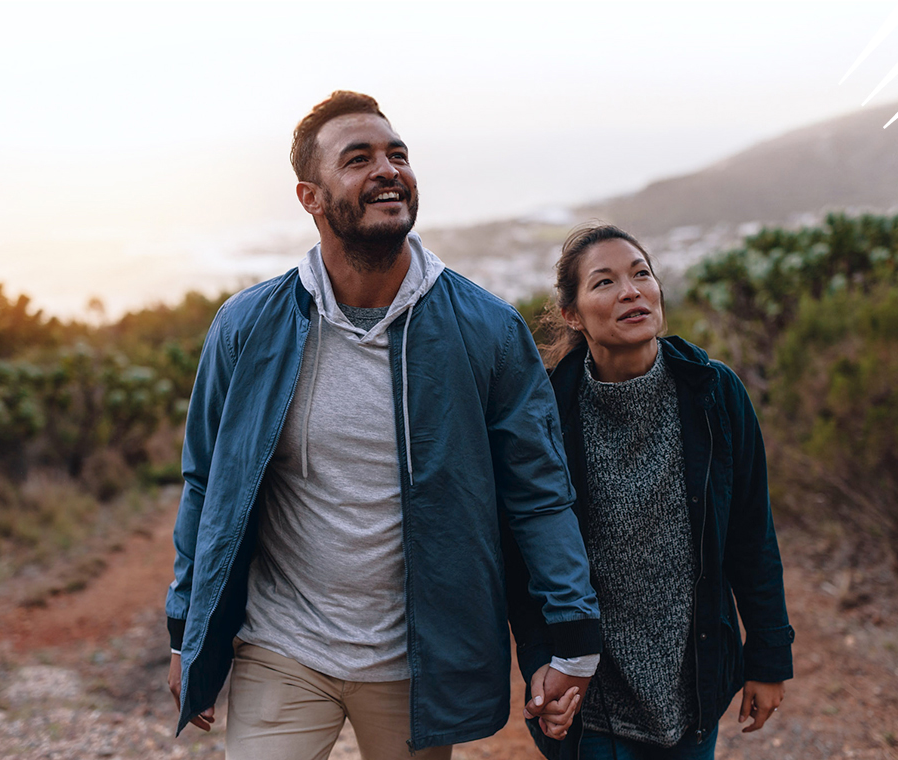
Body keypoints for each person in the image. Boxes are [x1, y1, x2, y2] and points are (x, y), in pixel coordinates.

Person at [163, 91, 604, 759]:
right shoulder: (247, 328)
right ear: (311, 197)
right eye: (359, 158)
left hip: (416, 663)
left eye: (398, 154)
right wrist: (184, 631)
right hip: (282, 648)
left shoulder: (485, 331)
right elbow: (206, 483)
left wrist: (571, 634)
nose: (388, 169)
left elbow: (539, 495)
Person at [504, 223, 794, 760]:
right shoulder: (547, 413)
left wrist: (769, 659)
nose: (631, 291)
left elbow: (752, 536)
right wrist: (542, 660)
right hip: (590, 695)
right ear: (572, 313)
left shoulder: (715, 394)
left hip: (693, 690)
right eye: (605, 282)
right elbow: (523, 560)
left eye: (641, 274)